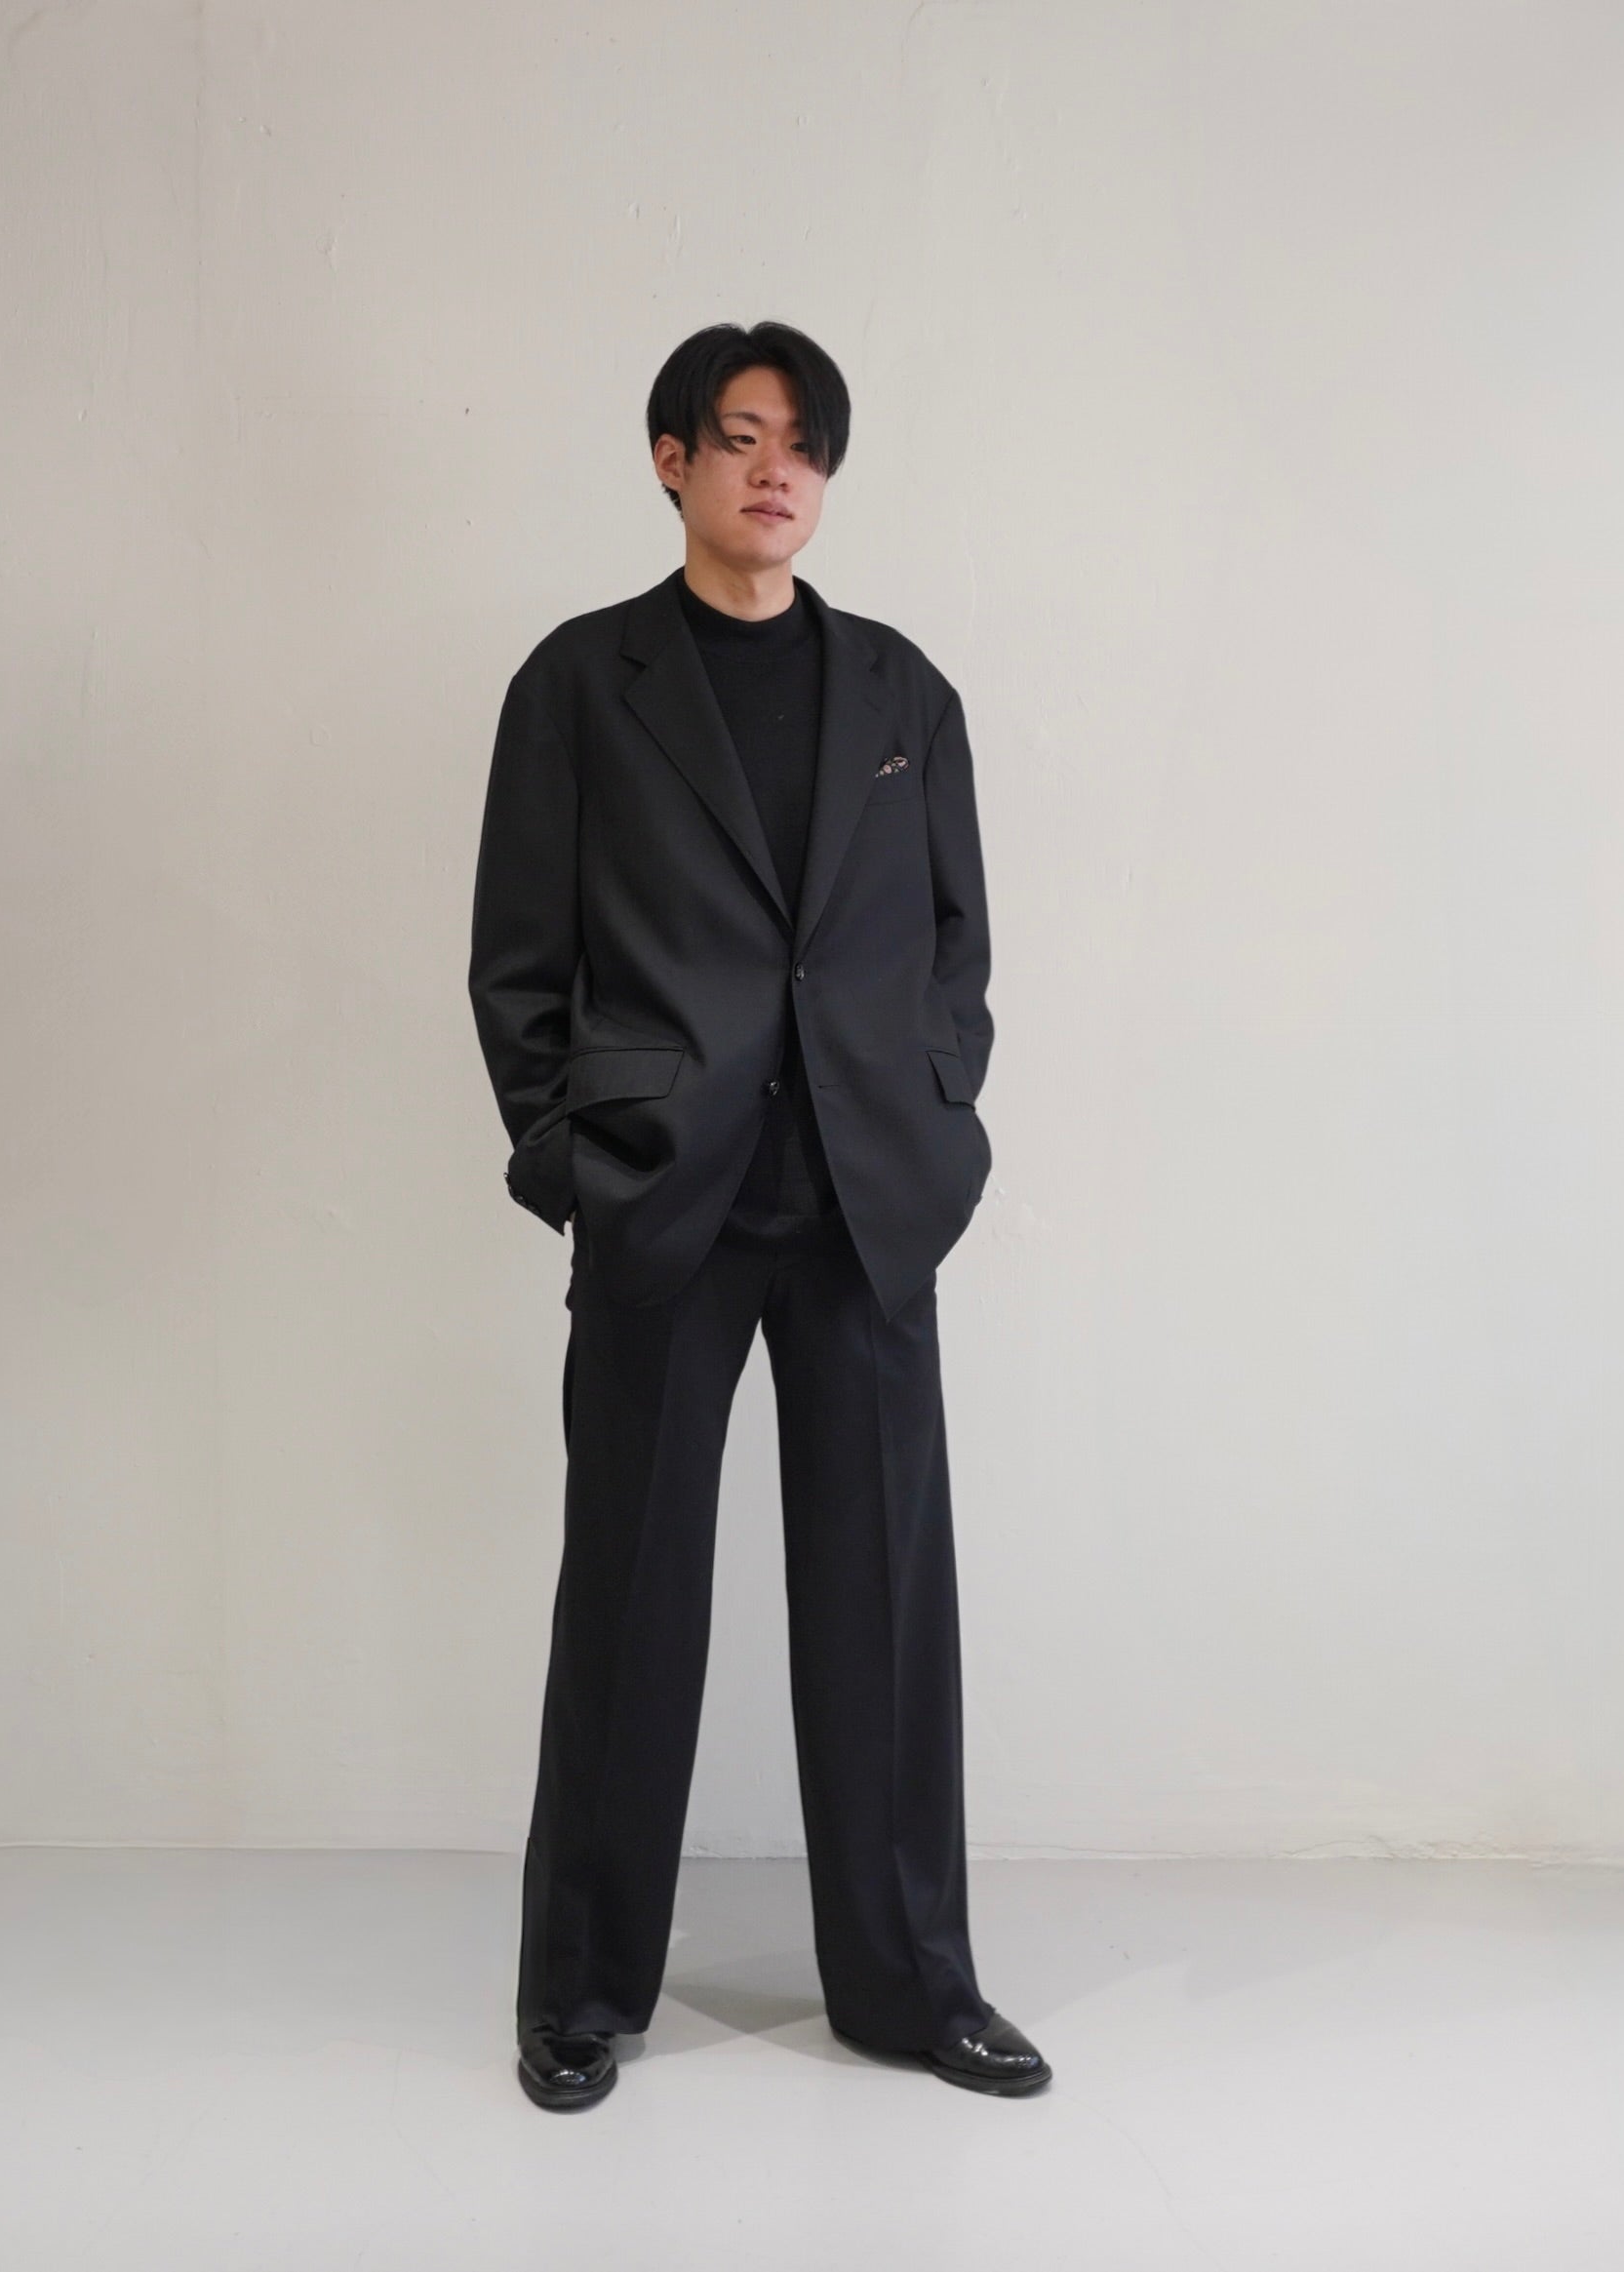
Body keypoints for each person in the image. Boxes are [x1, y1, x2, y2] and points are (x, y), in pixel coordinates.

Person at [468, 320, 1050, 2110]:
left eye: (801, 442)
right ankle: (581, 1989)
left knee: (886, 1607)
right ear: (672, 461)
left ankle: (910, 1983)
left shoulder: (901, 693)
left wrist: (938, 1128)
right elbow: (517, 960)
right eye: (737, 437)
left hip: (866, 1201)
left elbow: (955, 947)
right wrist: (574, 1159)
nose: (774, 469)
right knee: (629, 1600)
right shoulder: (584, 682)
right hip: (668, 1196)